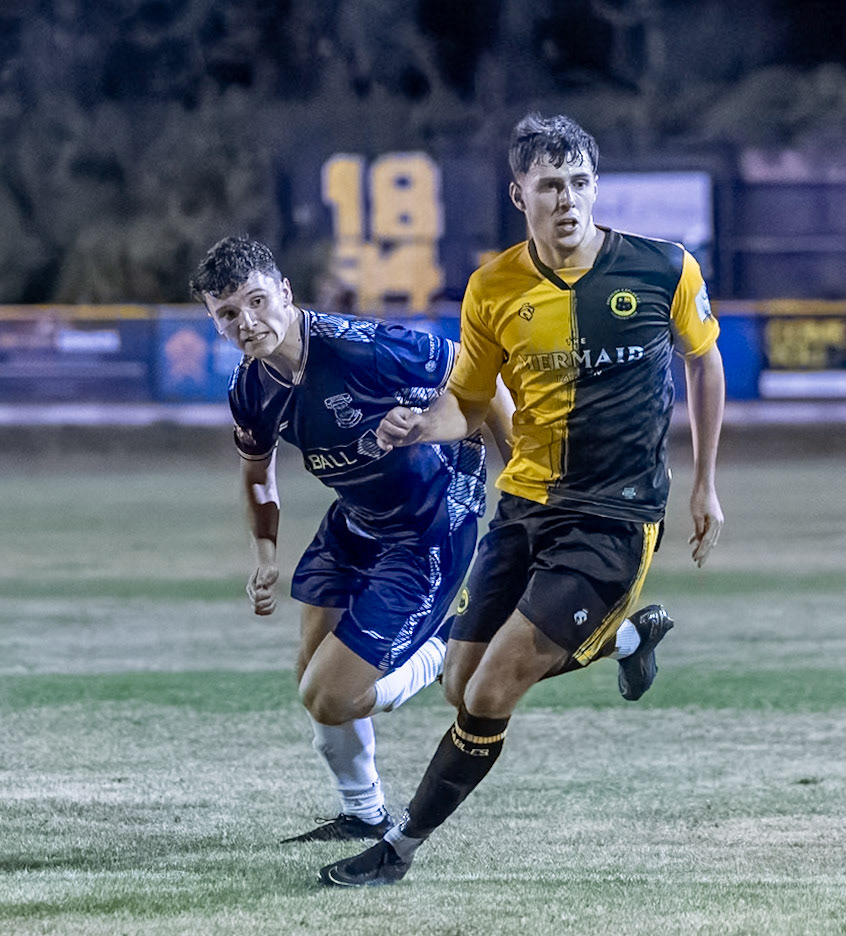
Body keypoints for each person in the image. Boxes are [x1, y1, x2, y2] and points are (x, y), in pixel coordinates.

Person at [318, 112, 727, 887]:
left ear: (595, 187)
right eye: (550, 185)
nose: (567, 199)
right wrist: (414, 427)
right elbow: (467, 406)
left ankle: (398, 849)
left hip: (614, 518)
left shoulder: (665, 269)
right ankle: (630, 641)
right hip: (525, 507)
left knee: (491, 690)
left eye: (579, 182)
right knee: (456, 682)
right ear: (520, 195)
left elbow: (705, 367)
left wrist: (704, 480)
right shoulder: (494, 287)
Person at [188, 235, 511, 845]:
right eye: (228, 314)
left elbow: (481, 379)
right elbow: (257, 472)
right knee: (311, 677)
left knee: (334, 698)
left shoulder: (363, 348)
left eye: (257, 302)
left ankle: (446, 646)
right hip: (356, 521)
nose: (247, 323)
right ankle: (364, 813)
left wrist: (523, 481)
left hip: (429, 526)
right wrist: (264, 555)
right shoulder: (251, 389)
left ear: (285, 292)